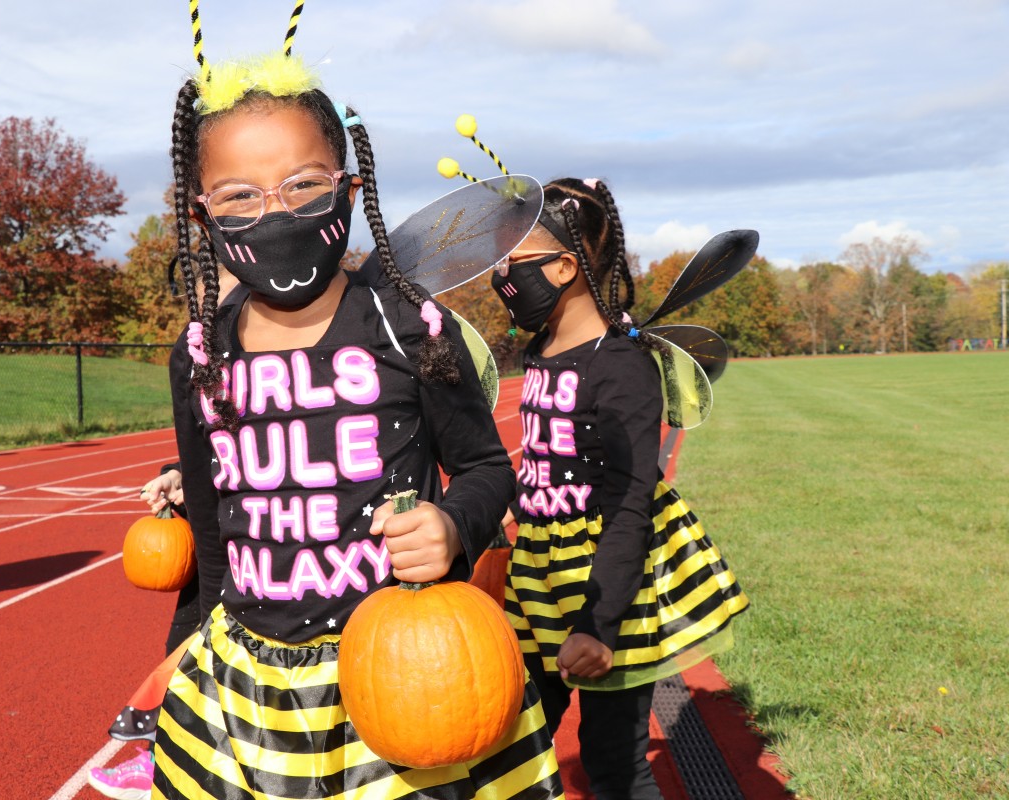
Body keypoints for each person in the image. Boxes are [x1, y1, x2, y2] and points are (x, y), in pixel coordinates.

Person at [106, 24, 564, 800]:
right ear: (202, 210)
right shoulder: (199, 355)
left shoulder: (410, 326)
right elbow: (214, 543)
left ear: (350, 191)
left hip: (404, 672)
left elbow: (488, 469)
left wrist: (454, 525)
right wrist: (180, 652)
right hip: (246, 685)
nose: (274, 212)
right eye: (240, 195)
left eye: (304, 184)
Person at [492, 179, 749, 800]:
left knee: (613, 763)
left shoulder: (621, 364)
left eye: (514, 260)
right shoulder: (540, 348)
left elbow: (632, 500)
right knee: (515, 742)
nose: (501, 276)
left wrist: (599, 626)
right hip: (541, 573)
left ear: (563, 266)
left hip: (610, 579)